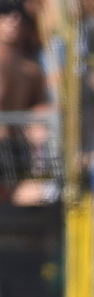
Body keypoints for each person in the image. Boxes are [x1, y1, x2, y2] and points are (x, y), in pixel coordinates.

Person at [0, 0, 48, 202]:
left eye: (18, 13)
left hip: (16, 149)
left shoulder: (31, 69)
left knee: (33, 195)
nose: (14, 19)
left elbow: (40, 107)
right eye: (5, 12)